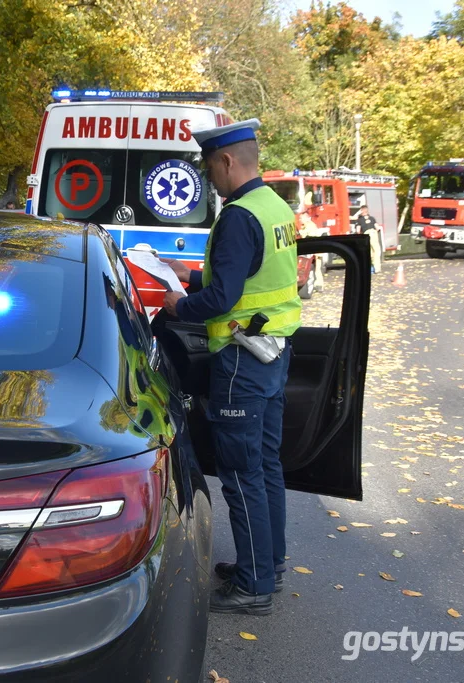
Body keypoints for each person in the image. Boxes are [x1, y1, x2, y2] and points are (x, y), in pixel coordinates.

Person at [160, 119, 301, 615]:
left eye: (208, 167)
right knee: (265, 465)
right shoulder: (275, 207)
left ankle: (252, 587)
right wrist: (192, 274)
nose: (208, 177)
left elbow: (225, 298)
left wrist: (179, 304)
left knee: (241, 474)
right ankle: (268, 563)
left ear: (226, 162)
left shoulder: (239, 215)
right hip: (274, 352)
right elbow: (253, 276)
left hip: (242, 356)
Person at [354, 205, 383, 274]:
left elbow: (358, 231)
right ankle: (377, 268)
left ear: (361, 211)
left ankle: (370, 267)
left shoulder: (359, 220)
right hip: (373, 233)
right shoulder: (372, 218)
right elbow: (377, 228)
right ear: (367, 211)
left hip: (366, 235)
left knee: (370, 252)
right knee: (376, 251)